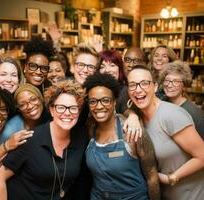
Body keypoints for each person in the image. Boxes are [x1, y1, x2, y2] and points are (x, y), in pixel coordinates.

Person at [0, 79, 88, 200]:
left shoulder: (82, 137)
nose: (67, 113)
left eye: (73, 108)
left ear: (79, 111)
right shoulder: (30, 139)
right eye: (61, 107)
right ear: (52, 110)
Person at [127, 65, 204, 200]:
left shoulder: (171, 114)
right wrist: (132, 114)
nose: (138, 90)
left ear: (155, 87)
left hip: (190, 195)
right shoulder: (139, 116)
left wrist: (171, 178)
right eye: (132, 85)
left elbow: (202, 156)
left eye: (144, 83)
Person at [83, 72, 160, 200]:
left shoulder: (132, 131)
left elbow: (152, 178)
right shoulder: (90, 128)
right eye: (93, 101)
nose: (99, 106)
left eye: (105, 100)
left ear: (114, 102)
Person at [99, 49, 143, 141]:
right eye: (102, 66)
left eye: (112, 65)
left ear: (120, 69)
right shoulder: (94, 91)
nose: (107, 70)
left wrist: (132, 116)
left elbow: (125, 108)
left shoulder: (124, 91)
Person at [0, 83, 50, 148]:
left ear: (41, 99)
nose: (30, 106)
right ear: (18, 109)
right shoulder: (9, 131)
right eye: (22, 105)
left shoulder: (50, 118)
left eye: (33, 99)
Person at [159, 60, 204, 140]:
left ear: (184, 86)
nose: (169, 85)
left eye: (176, 81)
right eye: (167, 80)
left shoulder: (194, 113)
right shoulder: (161, 104)